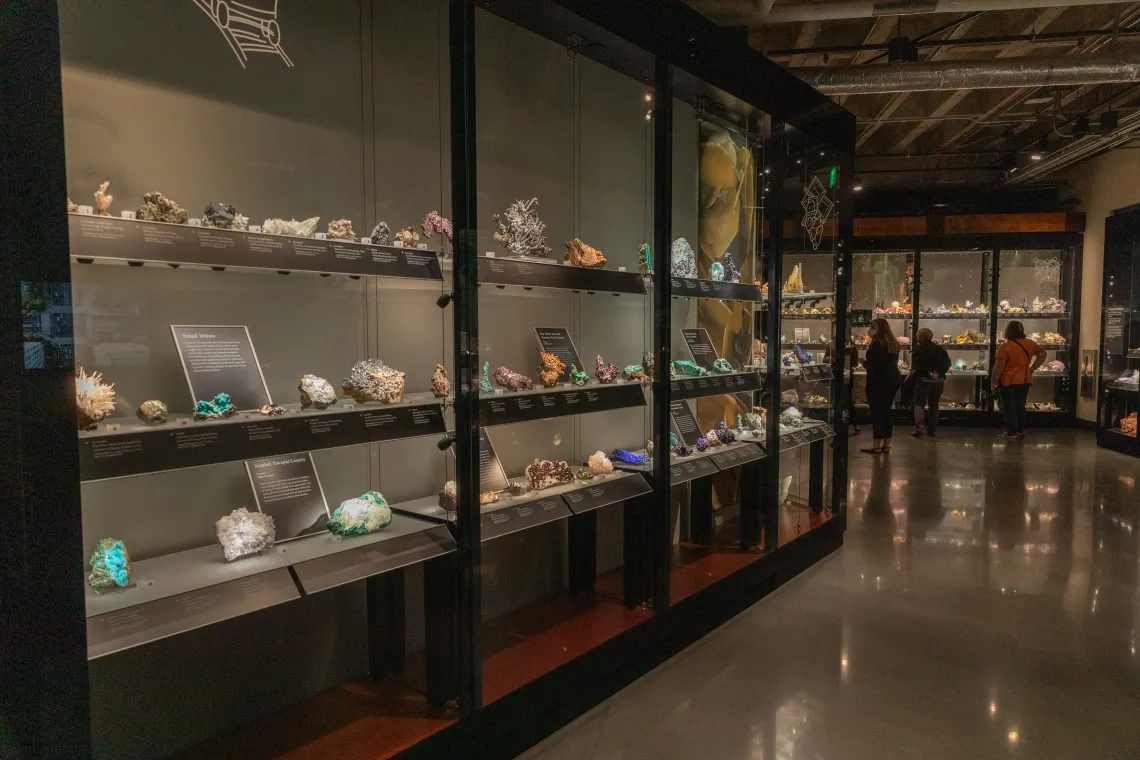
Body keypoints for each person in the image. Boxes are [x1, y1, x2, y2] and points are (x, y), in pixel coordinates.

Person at [991, 320, 1046, 439]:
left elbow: (998, 367)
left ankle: (1011, 432)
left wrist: (993, 382)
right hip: (1025, 379)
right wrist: (1032, 368)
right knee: (1020, 406)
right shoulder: (1030, 344)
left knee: (1009, 406)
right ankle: (1020, 430)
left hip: (1008, 380)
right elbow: (1043, 354)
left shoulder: (1005, 347)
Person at [860, 318, 902, 454]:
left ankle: (876, 444)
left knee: (877, 412)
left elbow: (875, 365)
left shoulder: (877, 344)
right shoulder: (894, 343)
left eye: (873, 327)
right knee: (887, 411)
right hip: (892, 379)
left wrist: (864, 363)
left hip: (878, 381)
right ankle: (886, 444)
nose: (870, 330)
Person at [909, 328, 950, 438]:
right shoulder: (939, 349)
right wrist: (938, 373)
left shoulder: (919, 349)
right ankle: (932, 430)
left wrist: (927, 374)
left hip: (923, 380)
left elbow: (917, 366)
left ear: (920, 337)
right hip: (938, 381)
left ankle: (919, 428)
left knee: (919, 404)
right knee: (934, 405)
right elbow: (947, 363)